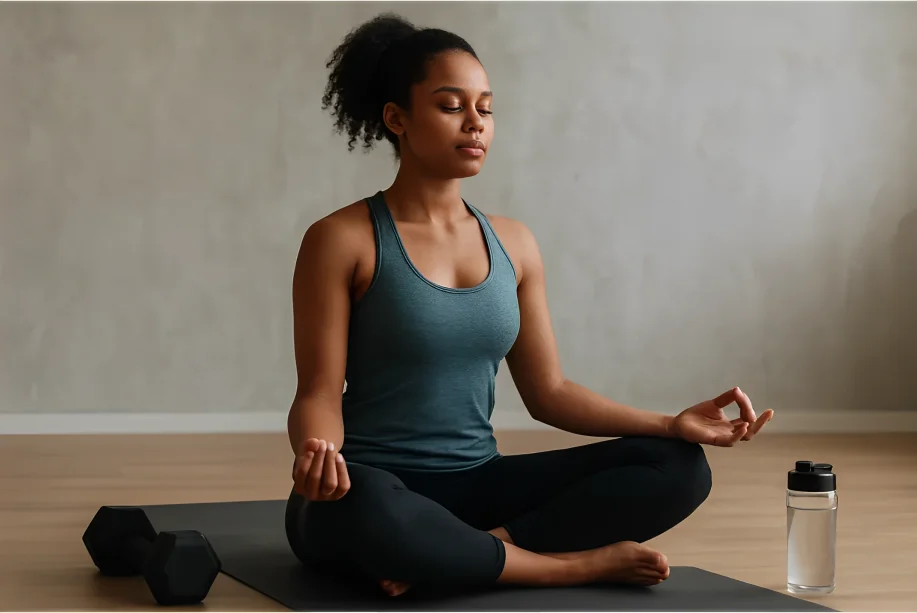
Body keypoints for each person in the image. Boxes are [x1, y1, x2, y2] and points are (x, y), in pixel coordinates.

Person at [285, 12, 774, 599]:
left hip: (478, 484)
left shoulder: (514, 243)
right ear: (397, 119)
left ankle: (478, 549)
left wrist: (672, 424)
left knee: (679, 467)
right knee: (363, 512)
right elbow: (317, 391)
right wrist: (321, 455)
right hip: (373, 490)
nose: (476, 124)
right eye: (450, 106)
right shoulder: (342, 238)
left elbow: (550, 394)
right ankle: (575, 565)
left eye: (485, 109)